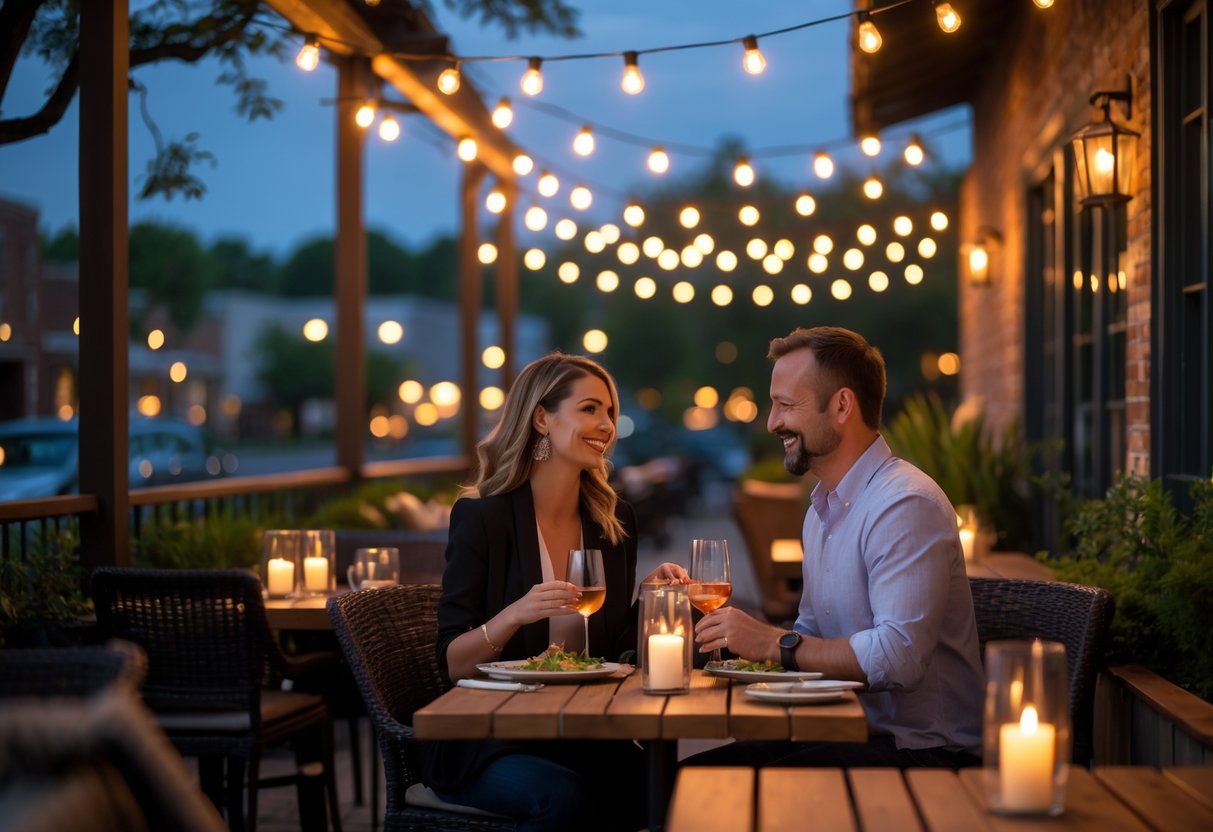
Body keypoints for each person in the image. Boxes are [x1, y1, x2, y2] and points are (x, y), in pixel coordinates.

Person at [691, 326, 984, 768]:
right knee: (691, 779)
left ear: (842, 405)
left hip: (927, 754)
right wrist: (735, 648)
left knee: (717, 795)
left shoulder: (904, 504)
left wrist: (774, 643)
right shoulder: (822, 510)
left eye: (786, 405)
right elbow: (813, 637)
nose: (772, 423)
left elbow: (899, 657)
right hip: (842, 729)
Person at [426, 352, 687, 831]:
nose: (606, 425)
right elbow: (453, 662)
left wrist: (650, 598)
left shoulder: (613, 521)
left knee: (668, 789)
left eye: (609, 411)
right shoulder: (483, 519)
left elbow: (611, 651)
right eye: (589, 409)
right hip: (491, 739)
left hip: (580, 733)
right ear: (542, 418)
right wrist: (515, 614)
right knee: (564, 798)